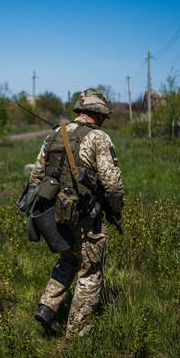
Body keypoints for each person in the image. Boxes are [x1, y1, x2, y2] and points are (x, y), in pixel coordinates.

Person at [29, 88, 124, 339]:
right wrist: (116, 210)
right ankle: (77, 335)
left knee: (69, 259)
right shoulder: (99, 138)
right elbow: (113, 185)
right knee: (90, 272)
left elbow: (36, 176)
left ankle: (47, 307)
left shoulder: (54, 135)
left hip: (57, 215)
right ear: (99, 113)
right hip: (86, 217)